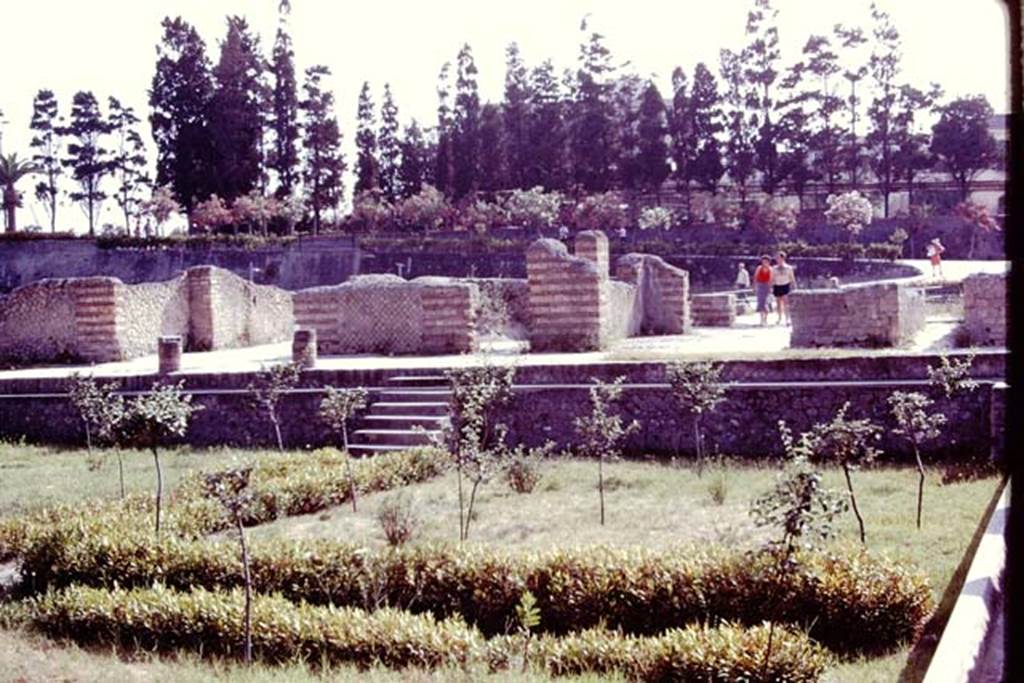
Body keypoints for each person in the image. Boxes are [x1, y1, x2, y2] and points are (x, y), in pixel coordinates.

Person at [771, 251, 797, 326]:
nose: (777, 259)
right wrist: (771, 287)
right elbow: (772, 278)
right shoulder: (774, 268)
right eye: (776, 258)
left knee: (786, 303)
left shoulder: (789, 268)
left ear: (783, 258)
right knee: (778, 304)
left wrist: (794, 286)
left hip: (785, 286)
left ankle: (787, 319)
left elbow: (792, 278)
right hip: (777, 286)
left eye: (779, 258)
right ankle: (779, 318)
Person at [753, 255, 773, 327]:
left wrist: (770, 288)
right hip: (760, 286)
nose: (764, 263)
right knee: (760, 303)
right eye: (763, 261)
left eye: (766, 261)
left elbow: (771, 280)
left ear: (768, 262)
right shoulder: (759, 268)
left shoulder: (770, 269)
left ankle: (765, 319)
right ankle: (761, 320)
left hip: (766, 287)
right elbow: (755, 278)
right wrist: (754, 287)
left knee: (766, 303)